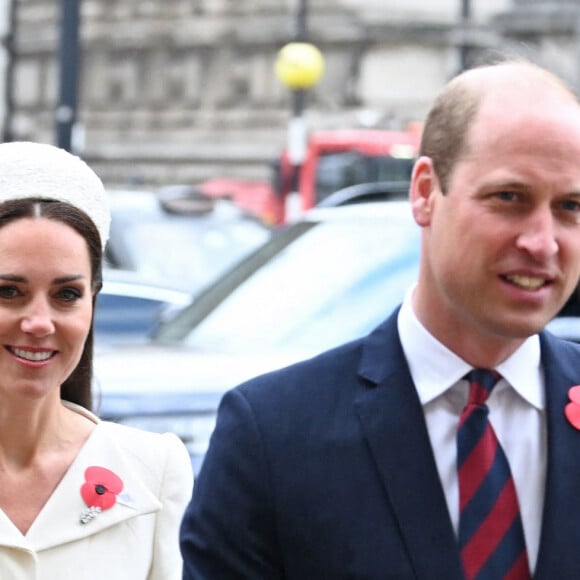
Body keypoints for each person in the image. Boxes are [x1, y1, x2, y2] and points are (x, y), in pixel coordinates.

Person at [180, 58, 580, 579]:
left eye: (571, 207)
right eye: (508, 198)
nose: (542, 241)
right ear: (423, 192)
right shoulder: (273, 436)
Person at [0, 141, 193, 579]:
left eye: (66, 295)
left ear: (93, 303)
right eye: (8, 291)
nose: (39, 322)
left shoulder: (153, 469)